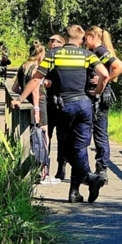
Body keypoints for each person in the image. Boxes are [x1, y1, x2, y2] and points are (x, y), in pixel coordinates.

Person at [17, 25, 109, 203]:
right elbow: (105, 74)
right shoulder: (87, 55)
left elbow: (36, 79)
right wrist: (96, 92)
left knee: (67, 148)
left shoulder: (53, 55)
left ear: (65, 38)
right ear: (81, 40)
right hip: (84, 105)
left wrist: (20, 98)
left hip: (64, 106)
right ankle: (75, 192)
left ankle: (90, 178)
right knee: (80, 147)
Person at [84, 26, 122, 180]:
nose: (84, 42)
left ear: (92, 36)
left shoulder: (100, 51)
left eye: (86, 38)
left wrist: (105, 79)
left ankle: (101, 168)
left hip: (100, 96)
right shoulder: (96, 51)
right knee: (99, 132)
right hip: (98, 94)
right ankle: (101, 168)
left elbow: (119, 67)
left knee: (99, 132)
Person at [13, 41, 55, 183]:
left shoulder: (23, 66)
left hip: (27, 104)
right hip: (40, 105)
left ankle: (34, 168)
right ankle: (44, 171)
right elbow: (36, 91)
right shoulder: (36, 68)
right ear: (40, 54)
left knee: (32, 137)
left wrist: (24, 97)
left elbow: (15, 88)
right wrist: (37, 108)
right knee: (43, 136)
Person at [44, 34, 69, 181]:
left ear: (63, 44)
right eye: (51, 40)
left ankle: (61, 167)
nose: (53, 43)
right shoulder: (46, 58)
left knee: (62, 137)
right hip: (47, 102)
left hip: (61, 102)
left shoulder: (66, 60)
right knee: (45, 135)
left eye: (57, 41)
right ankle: (44, 167)